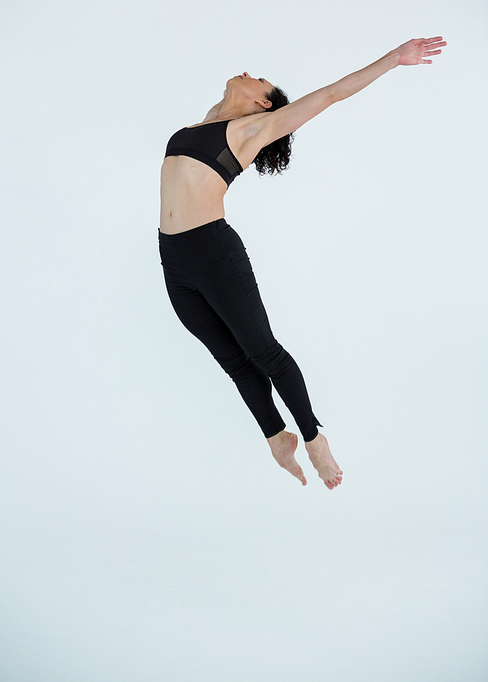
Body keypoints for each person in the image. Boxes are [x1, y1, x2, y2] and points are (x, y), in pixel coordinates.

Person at [158, 37, 447, 489]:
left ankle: (313, 438)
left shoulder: (253, 130)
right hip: (173, 258)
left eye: (261, 79)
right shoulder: (206, 123)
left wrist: (394, 59)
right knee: (233, 361)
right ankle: (277, 438)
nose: (250, 70)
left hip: (214, 252)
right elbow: (220, 105)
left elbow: (331, 94)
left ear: (262, 101)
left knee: (263, 351)